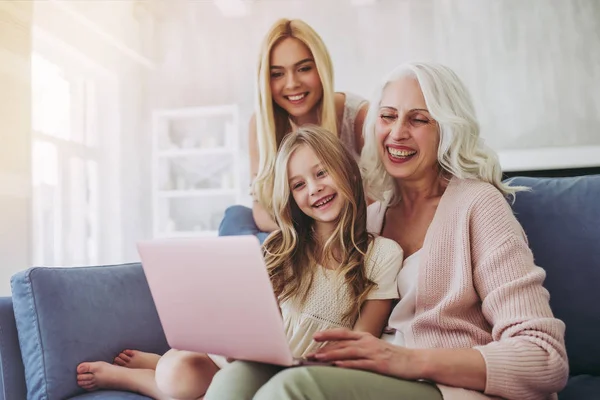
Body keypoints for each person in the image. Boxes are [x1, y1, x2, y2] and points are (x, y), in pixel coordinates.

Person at [203, 62, 570, 400]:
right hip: (373, 376)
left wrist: (407, 360)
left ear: (448, 128)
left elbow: (545, 356)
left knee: (296, 388)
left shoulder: (479, 205)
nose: (397, 133)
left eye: (418, 120)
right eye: (388, 117)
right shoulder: (367, 217)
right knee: (238, 377)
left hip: (446, 387)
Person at [76, 125, 403, 399]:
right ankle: (147, 370)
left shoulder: (382, 255)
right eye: (299, 185)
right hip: (249, 359)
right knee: (179, 372)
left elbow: (364, 344)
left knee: (182, 377)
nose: (314, 189)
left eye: (322, 173)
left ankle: (150, 369)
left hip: (304, 372)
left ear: (347, 171)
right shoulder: (282, 247)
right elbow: (251, 317)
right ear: (291, 197)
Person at [218, 18, 368, 243]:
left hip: (342, 230)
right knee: (235, 218)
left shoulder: (358, 116)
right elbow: (261, 210)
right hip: (295, 231)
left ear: (322, 69)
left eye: (304, 69)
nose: (292, 84)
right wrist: (301, 230)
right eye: (277, 74)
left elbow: (378, 206)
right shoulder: (260, 125)